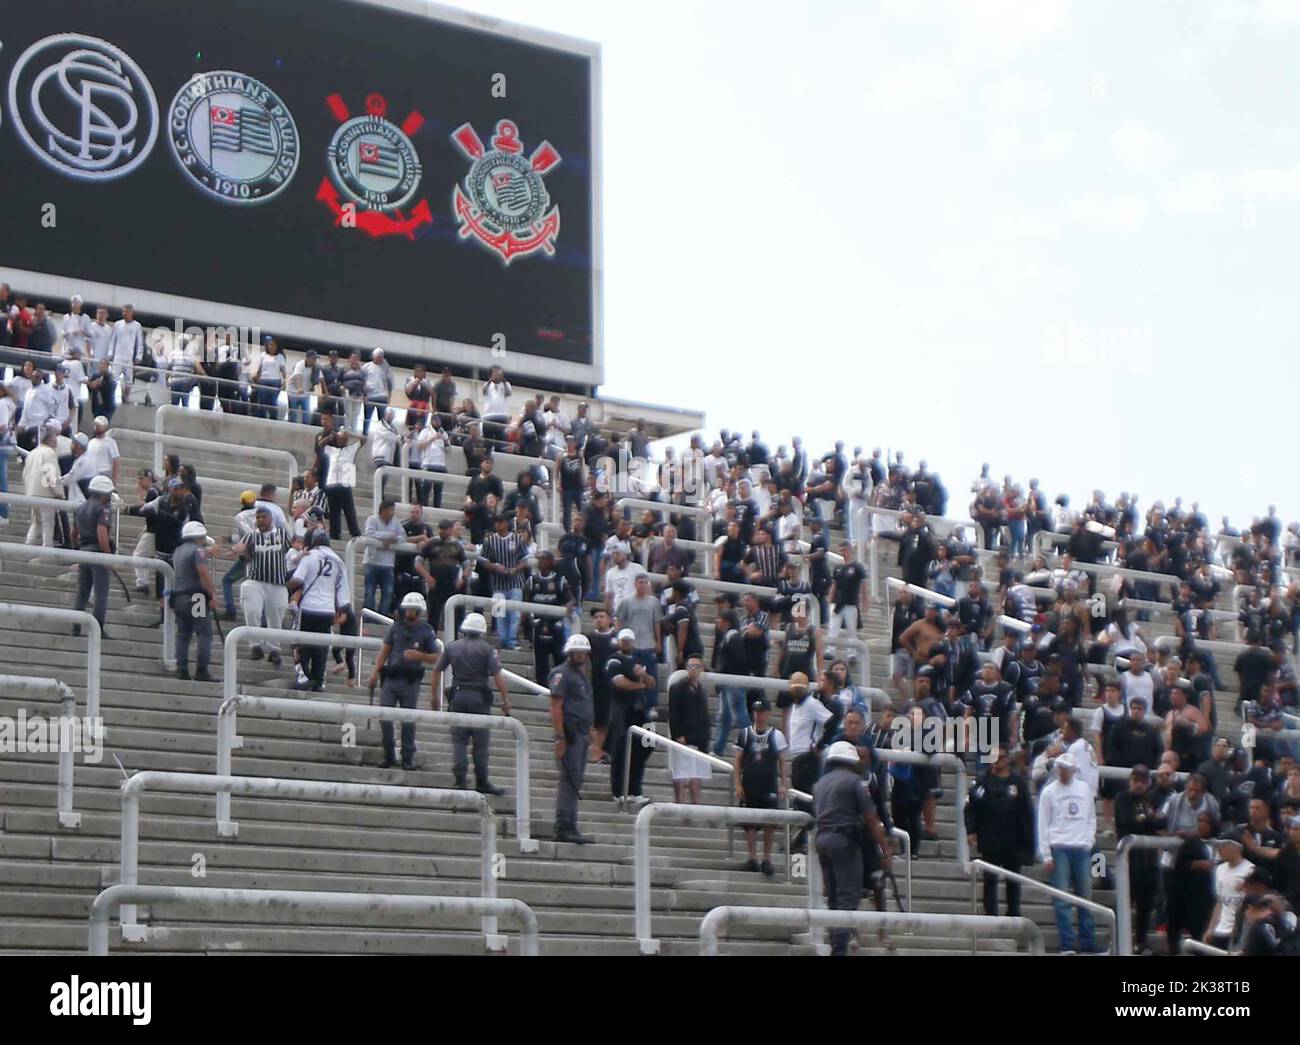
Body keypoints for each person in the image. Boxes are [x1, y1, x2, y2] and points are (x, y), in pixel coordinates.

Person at [814, 740, 892, 956]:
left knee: (833, 897)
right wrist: (885, 848)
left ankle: (834, 942)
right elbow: (871, 817)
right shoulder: (854, 782)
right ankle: (838, 949)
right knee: (848, 897)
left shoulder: (820, 783)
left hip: (822, 840)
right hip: (845, 842)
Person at [428, 612, 511, 794]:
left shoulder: (452, 647)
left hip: (458, 697)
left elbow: (436, 670)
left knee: (459, 740)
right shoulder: (488, 649)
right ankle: (482, 780)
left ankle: (460, 779)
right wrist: (506, 700)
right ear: (482, 630)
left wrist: (434, 696)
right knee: (480, 743)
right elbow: (498, 676)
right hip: (479, 699)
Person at [367, 592, 442, 770]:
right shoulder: (396, 627)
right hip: (392, 678)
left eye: (412, 609)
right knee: (385, 716)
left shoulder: (426, 631)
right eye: (407, 609)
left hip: (410, 682)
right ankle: (389, 754)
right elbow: (385, 650)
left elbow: (437, 657)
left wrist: (420, 656)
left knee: (408, 720)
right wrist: (374, 672)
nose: (408, 612)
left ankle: (407, 757)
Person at [1036, 752, 1098, 954]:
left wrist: (1089, 842)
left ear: (1073, 770)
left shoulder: (1084, 789)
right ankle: (1067, 943)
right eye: (1060, 768)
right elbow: (1042, 823)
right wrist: (1046, 854)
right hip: (1059, 846)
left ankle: (1088, 941)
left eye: (1066, 768)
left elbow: (1091, 818)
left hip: (1081, 847)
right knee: (1061, 900)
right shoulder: (1049, 791)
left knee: (1085, 897)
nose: (1063, 772)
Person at [965, 746, 1035, 917]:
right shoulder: (982, 782)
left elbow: (1026, 812)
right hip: (990, 838)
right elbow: (971, 808)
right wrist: (971, 831)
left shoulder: (1018, 783)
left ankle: (1013, 912)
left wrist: (1028, 842)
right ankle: (991, 914)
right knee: (990, 880)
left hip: (1013, 840)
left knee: (1013, 880)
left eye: (1001, 757)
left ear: (1007, 759)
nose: (997, 760)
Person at [288, 530, 352, 691]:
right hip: (328, 610)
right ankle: (319, 681)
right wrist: (343, 610)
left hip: (308, 607)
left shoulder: (309, 556)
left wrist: (288, 584)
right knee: (321, 648)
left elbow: (297, 580)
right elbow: (343, 590)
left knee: (301, 645)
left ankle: (304, 676)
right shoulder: (338, 561)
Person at [549, 633, 596, 844]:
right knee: (569, 779)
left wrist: (591, 729)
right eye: (577, 652)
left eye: (583, 652)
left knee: (575, 779)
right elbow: (556, 706)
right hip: (569, 733)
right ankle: (564, 825)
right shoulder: (562, 673)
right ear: (570, 652)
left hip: (582, 732)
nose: (581, 655)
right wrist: (560, 737)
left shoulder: (582, 673)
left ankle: (571, 824)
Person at [733, 697, 789, 875]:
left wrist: (783, 783)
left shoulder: (776, 735)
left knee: (769, 822)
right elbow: (738, 760)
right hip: (750, 782)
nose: (759, 716)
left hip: (769, 783)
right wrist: (737, 784)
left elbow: (782, 761)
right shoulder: (745, 733)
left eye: (762, 712)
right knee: (750, 823)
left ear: (768, 713)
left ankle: (766, 858)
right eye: (756, 712)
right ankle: (752, 857)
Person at [1114, 765, 1165, 954]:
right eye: (1135, 780)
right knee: (1125, 903)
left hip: (1149, 861)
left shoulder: (1149, 799)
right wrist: (1147, 820)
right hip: (1129, 862)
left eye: (1142, 781)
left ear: (1148, 783)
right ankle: (1119, 942)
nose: (1138, 784)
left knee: (1145, 905)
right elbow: (1127, 822)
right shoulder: (1122, 798)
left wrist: (1145, 820)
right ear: (1130, 780)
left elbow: (1160, 821)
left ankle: (1141, 942)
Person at [233, 505, 292, 667]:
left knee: (276, 615)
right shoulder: (251, 535)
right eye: (258, 518)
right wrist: (236, 550)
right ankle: (255, 645)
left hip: (277, 582)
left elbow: (292, 548)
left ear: (271, 518)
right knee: (252, 609)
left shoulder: (282, 534)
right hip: (255, 580)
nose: (260, 520)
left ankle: (274, 649)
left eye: (263, 517)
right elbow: (240, 548)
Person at [607, 627, 657, 806]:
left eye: (629, 640)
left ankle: (635, 788)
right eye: (624, 640)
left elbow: (652, 682)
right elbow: (618, 682)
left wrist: (643, 675)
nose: (626, 643)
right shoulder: (615, 660)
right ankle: (619, 790)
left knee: (648, 744)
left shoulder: (639, 659)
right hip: (622, 710)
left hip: (640, 710)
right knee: (621, 749)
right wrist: (640, 685)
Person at [71, 475, 116, 639]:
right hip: (98, 552)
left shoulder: (81, 508)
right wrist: (108, 556)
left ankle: (75, 627)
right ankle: (98, 628)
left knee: (82, 592)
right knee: (101, 593)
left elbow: (73, 533)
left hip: (84, 550)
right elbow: (102, 533)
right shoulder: (103, 509)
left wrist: (76, 548)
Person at [172, 521, 217, 682]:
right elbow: (203, 572)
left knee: (183, 634)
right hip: (196, 597)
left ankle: (181, 667)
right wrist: (211, 593)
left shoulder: (178, 551)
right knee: (204, 633)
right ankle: (201, 669)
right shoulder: (197, 551)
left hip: (179, 596)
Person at [667, 656, 712, 804]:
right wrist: (678, 734)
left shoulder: (701, 690)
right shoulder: (678, 687)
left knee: (697, 773)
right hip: (684, 737)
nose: (694, 669)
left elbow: (704, 716)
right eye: (691, 666)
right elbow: (673, 713)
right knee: (681, 772)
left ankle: (696, 806)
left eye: (697, 666)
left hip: (699, 738)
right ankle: (680, 803)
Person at [1205, 832, 1254, 951]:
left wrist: (1241, 930)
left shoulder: (1250, 870)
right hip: (1220, 930)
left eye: (1223, 845)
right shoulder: (1219, 869)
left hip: (1237, 932)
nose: (1220, 849)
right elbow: (1220, 902)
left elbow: (1250, 906)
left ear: (1236, 847)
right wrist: (1211, 929)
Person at [23, 422, 63, 547]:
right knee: (48, 523)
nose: (57, 439)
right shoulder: (49, 453)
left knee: (36, 522)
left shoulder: (33, 452)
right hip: (45, 494)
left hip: (32, 493)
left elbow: (25, 474)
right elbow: (50, 474)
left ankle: (28, 546)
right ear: (50, 438)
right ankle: (47, 550)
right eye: (55, 436)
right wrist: (59, 492)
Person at [362, 499, 403, 616]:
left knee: (388, 592)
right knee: (369, 591)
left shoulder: (396, 522)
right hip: (372, 562)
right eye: (391, 509)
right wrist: (389, 536)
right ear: (384, 510)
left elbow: (403, 537)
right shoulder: (372, 519)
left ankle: (382, 617)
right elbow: (370, 533)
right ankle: (368, 617)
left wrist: (394, 539)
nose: (393, 512)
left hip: (388, 564)